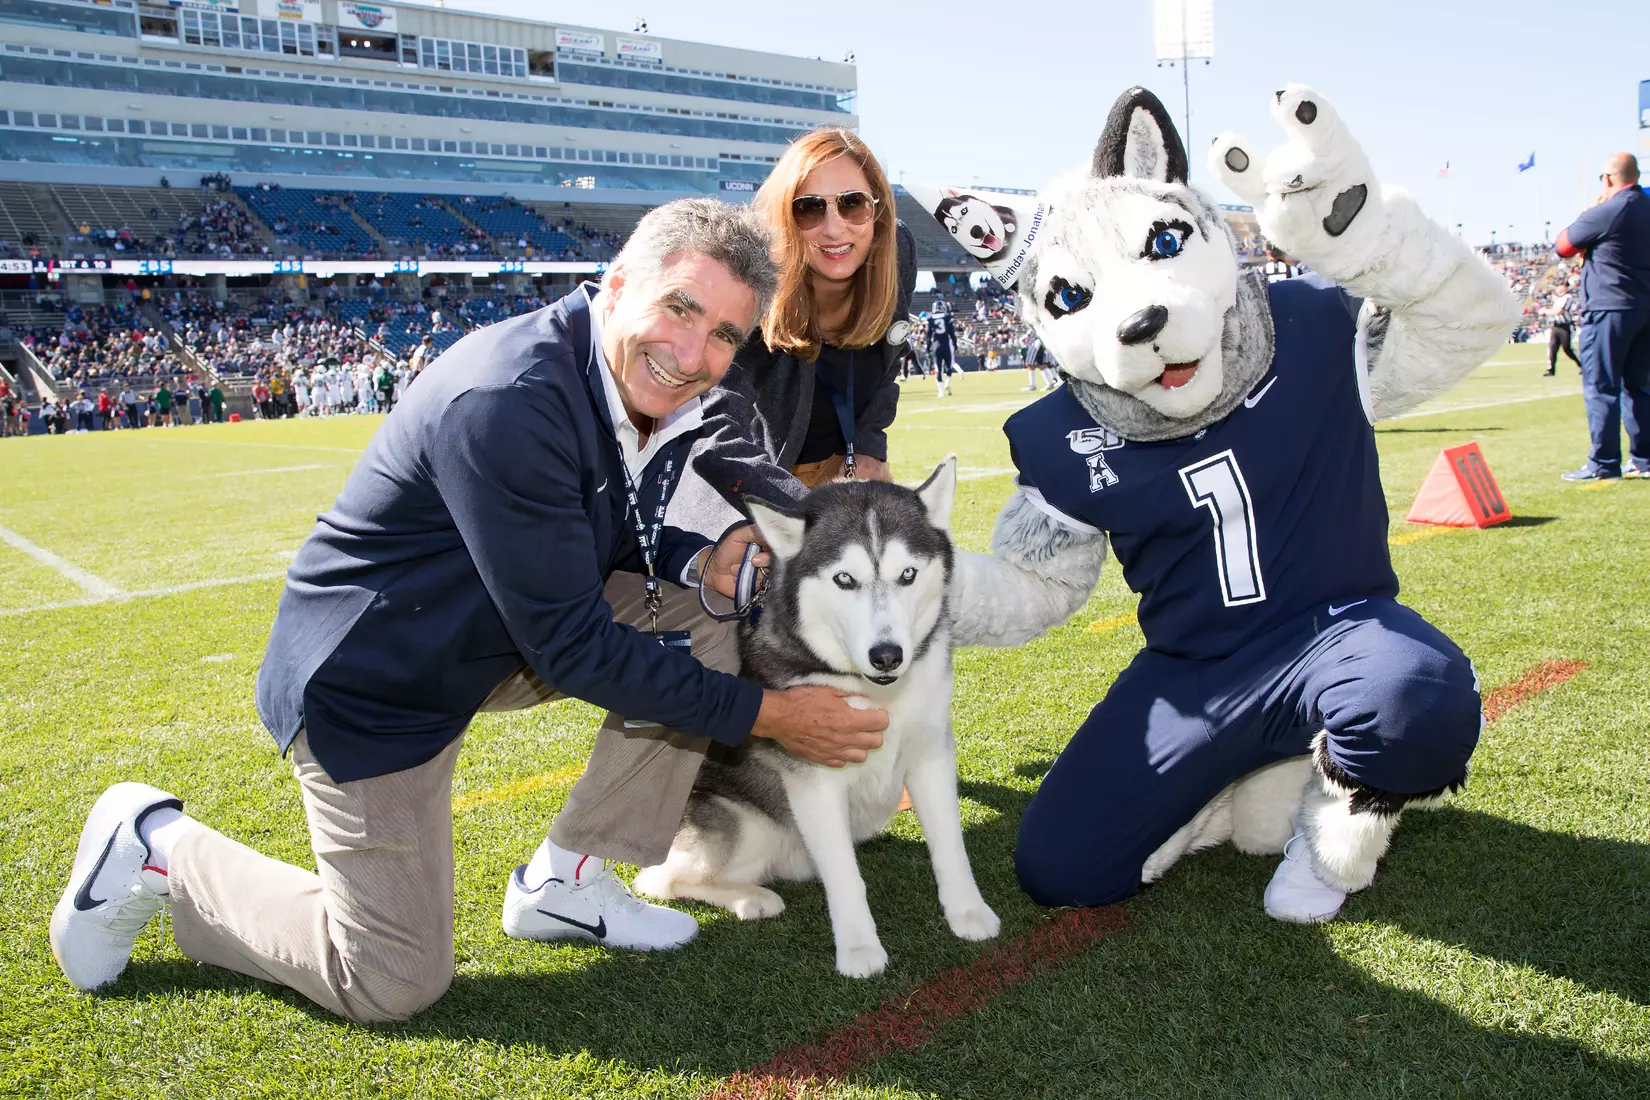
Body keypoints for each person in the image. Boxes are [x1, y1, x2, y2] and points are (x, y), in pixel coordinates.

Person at [49, 198, 887, 1024]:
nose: (691, 353)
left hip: (485, 637)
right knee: (389, 978)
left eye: (722, 337)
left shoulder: (614, 372)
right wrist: (774, 714)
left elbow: (590, 531)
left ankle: (568, 879)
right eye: (680, 308)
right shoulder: (508, 398)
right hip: (378, 683)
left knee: (708, 610)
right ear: (620, 281)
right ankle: (157, 850)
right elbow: (571, 648)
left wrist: (696, 560)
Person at [695, 126, 916, 494]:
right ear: (785, 216)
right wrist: (799, 511)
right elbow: (717, 421)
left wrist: (869, 445)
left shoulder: (897, 251)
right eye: (809, 208)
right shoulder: (755, 275)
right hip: (763, 475)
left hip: (851, 470)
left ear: (877, 208)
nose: (834, 228)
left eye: (852, 203)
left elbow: (891, 359)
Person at [1555, 153, 1650, 480]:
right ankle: (1644, 460)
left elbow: (1564, 245)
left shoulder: (1608, 210)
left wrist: (1591, 210)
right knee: (1639, 386)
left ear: (1608, 179)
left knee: (1601, 386)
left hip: (1609, 307)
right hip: (1644, 308)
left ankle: (1604, 464)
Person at [1545, 285, 1579, 377]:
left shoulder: (1568, 297)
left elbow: (1559, 311)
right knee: (1552, 347)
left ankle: (1582, 365)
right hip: (1555, 326)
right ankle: (1551, 370)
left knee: (1567, 348)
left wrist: (1545, 311)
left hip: (1565, 326)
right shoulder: (1558, 299)